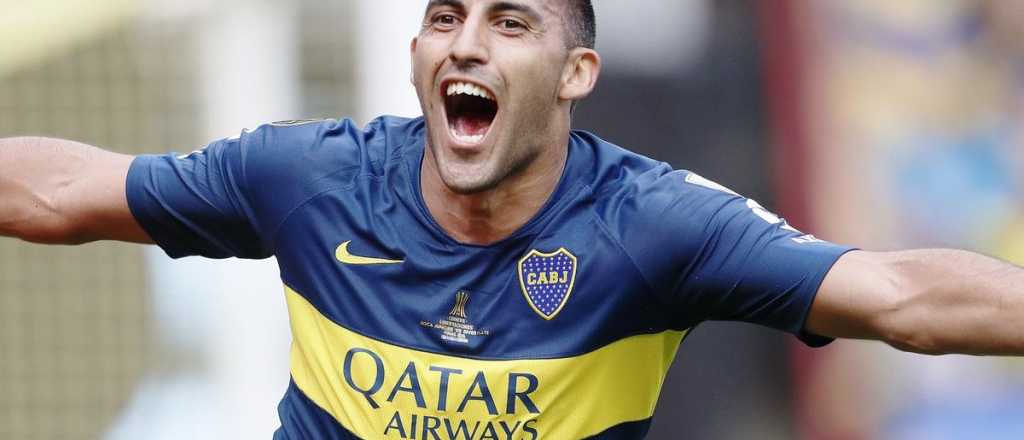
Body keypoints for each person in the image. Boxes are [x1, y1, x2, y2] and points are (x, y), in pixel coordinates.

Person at [1, 0, 1023, 438]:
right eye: (445, 17)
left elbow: (900, 297)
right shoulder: (312, 179)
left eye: (510, 22)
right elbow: (64, 192)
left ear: (577, 73)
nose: (465, 43)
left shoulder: (654, 224)